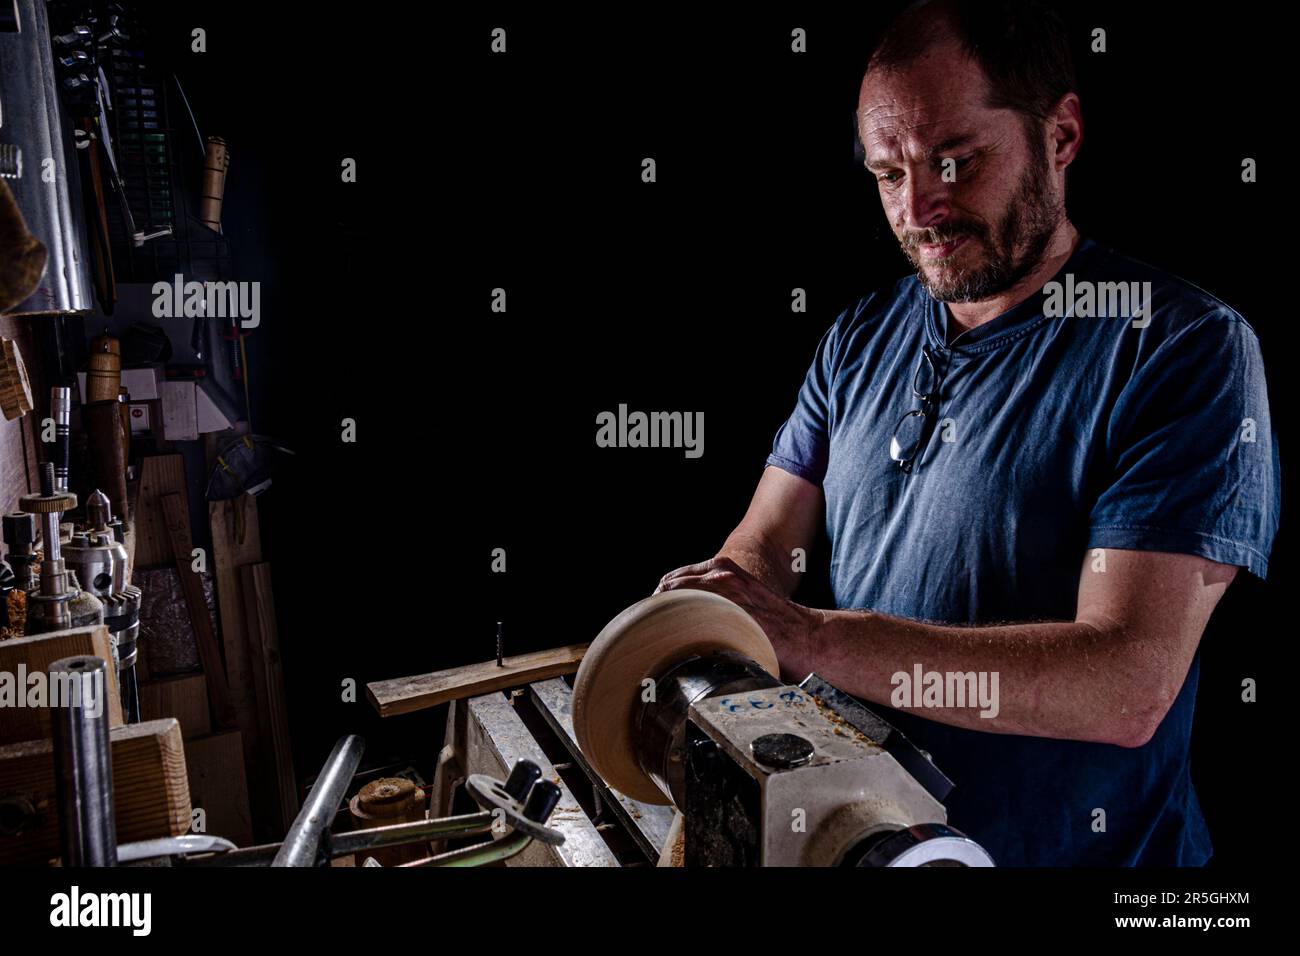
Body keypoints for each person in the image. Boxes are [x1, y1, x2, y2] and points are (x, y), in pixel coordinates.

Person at [654, 0, 1280, 865]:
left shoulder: (1182, 347)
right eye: (887, 174)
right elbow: (766, 544)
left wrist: (811, 639)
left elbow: (1128, 683)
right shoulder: (858, 338)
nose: (920, 208)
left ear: (1060, 137)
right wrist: (717, 606)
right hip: (881, 847)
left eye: (956, 160)